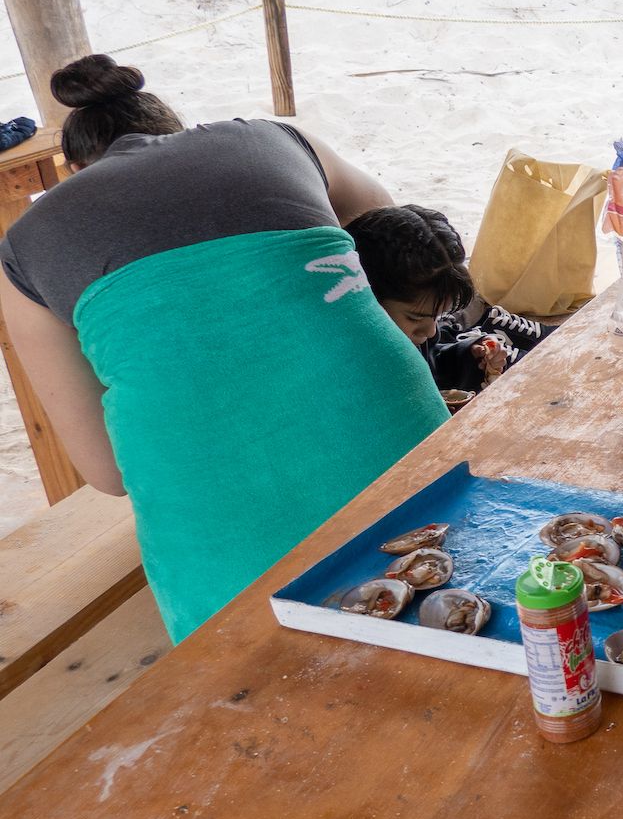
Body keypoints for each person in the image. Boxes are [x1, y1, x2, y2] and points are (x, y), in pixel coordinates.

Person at [0, 57, 447, 641]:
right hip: (396, 427)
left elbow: (108, 473)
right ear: (179, 130)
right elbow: (391, 239)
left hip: (220, 522)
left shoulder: (23, 248)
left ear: (78, 169)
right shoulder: (278, 139)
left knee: (253, 671)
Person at [347, 203, 551, 394]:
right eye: (415, 318)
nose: (430, 331)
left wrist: (468, 354)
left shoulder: (410, 332)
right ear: (364, 302)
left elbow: (431, 361)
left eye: (437, 317)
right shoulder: (349, 367)